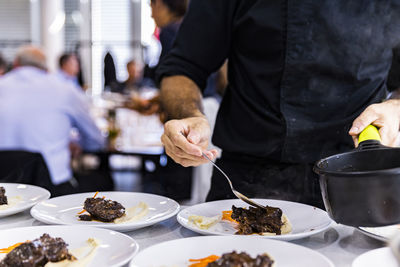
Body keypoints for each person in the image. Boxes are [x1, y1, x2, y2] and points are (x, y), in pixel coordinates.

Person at [157, 0, 400, 208]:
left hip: (357, 175)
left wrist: (395, 107)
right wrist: (190, 115)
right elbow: (183, 67)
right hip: (248, 178)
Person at [0, 46, 106, 196]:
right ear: (45, 67)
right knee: (102, 180)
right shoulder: (66, 90)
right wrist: (72, 144)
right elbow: (96, 141)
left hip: (4, 189)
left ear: (16, 64)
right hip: (51, 189)